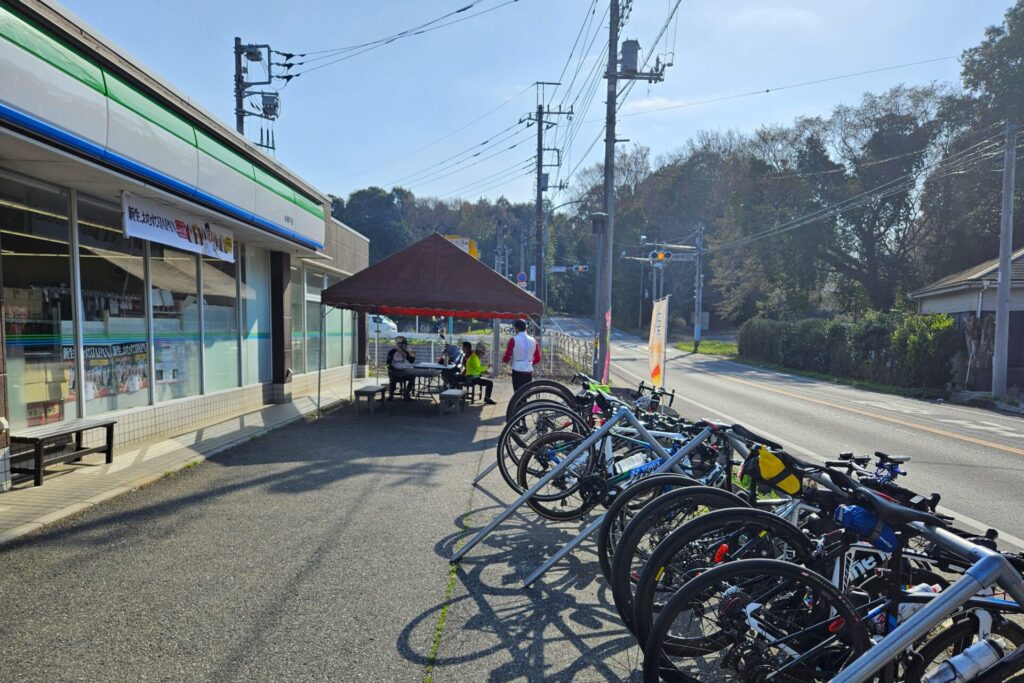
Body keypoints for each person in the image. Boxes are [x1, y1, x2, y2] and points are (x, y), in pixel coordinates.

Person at [503, 319, 540, 391]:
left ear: (516, 328)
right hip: (528, 370)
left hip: (517, 369)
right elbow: (538, 358)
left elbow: (507, 357)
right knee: (526, 393)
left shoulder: (513, 340)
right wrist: (530, 363)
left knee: (517, 393)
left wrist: (505, 361)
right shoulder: (534, 341)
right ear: (526, 328)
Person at [386, 336, 417, 401]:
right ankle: (391, 396)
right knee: (393, 380)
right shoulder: (392, 352)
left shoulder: (405, 352)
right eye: (403, 344)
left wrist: (413, 355)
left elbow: (411, 361)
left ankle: (407, 394)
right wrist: (394, 371)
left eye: (405, 344)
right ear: (398, 344)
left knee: (412, 377)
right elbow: (388, 364)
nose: (404, 346)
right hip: (394, 372)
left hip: (403, 371)